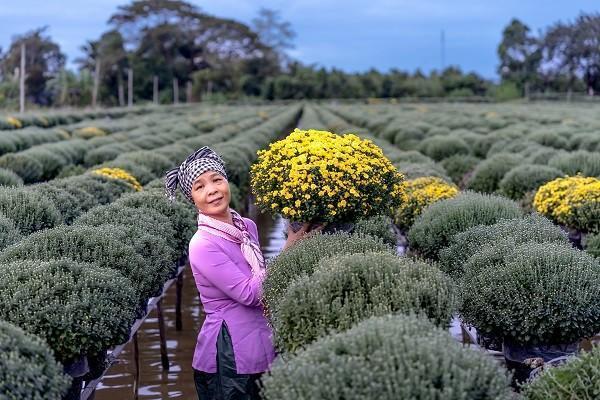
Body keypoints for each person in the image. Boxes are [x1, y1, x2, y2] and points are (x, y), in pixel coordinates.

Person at [165, 146, 320, 400]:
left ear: (227, 182)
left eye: (217, 179)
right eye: (199, 186)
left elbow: (259, 274)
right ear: (192, 198)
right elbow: (249, 293)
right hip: (230, 356)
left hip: (262, 338)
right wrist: (290, 246)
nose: (212, 190)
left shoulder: (245, 226)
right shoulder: (202, 244)